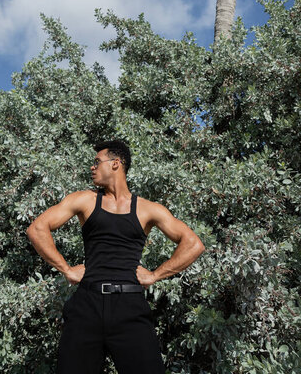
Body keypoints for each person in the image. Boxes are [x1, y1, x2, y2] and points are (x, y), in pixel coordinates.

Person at [26, 140, 205, 374]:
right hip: (86, 305)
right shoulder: (85, 200)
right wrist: (67, 269)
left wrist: (155, 275)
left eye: (96, 162)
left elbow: (193, 244)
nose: (92, 167)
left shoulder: (147, 209)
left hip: (130, 307)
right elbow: (37, 229)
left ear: (116, 164)